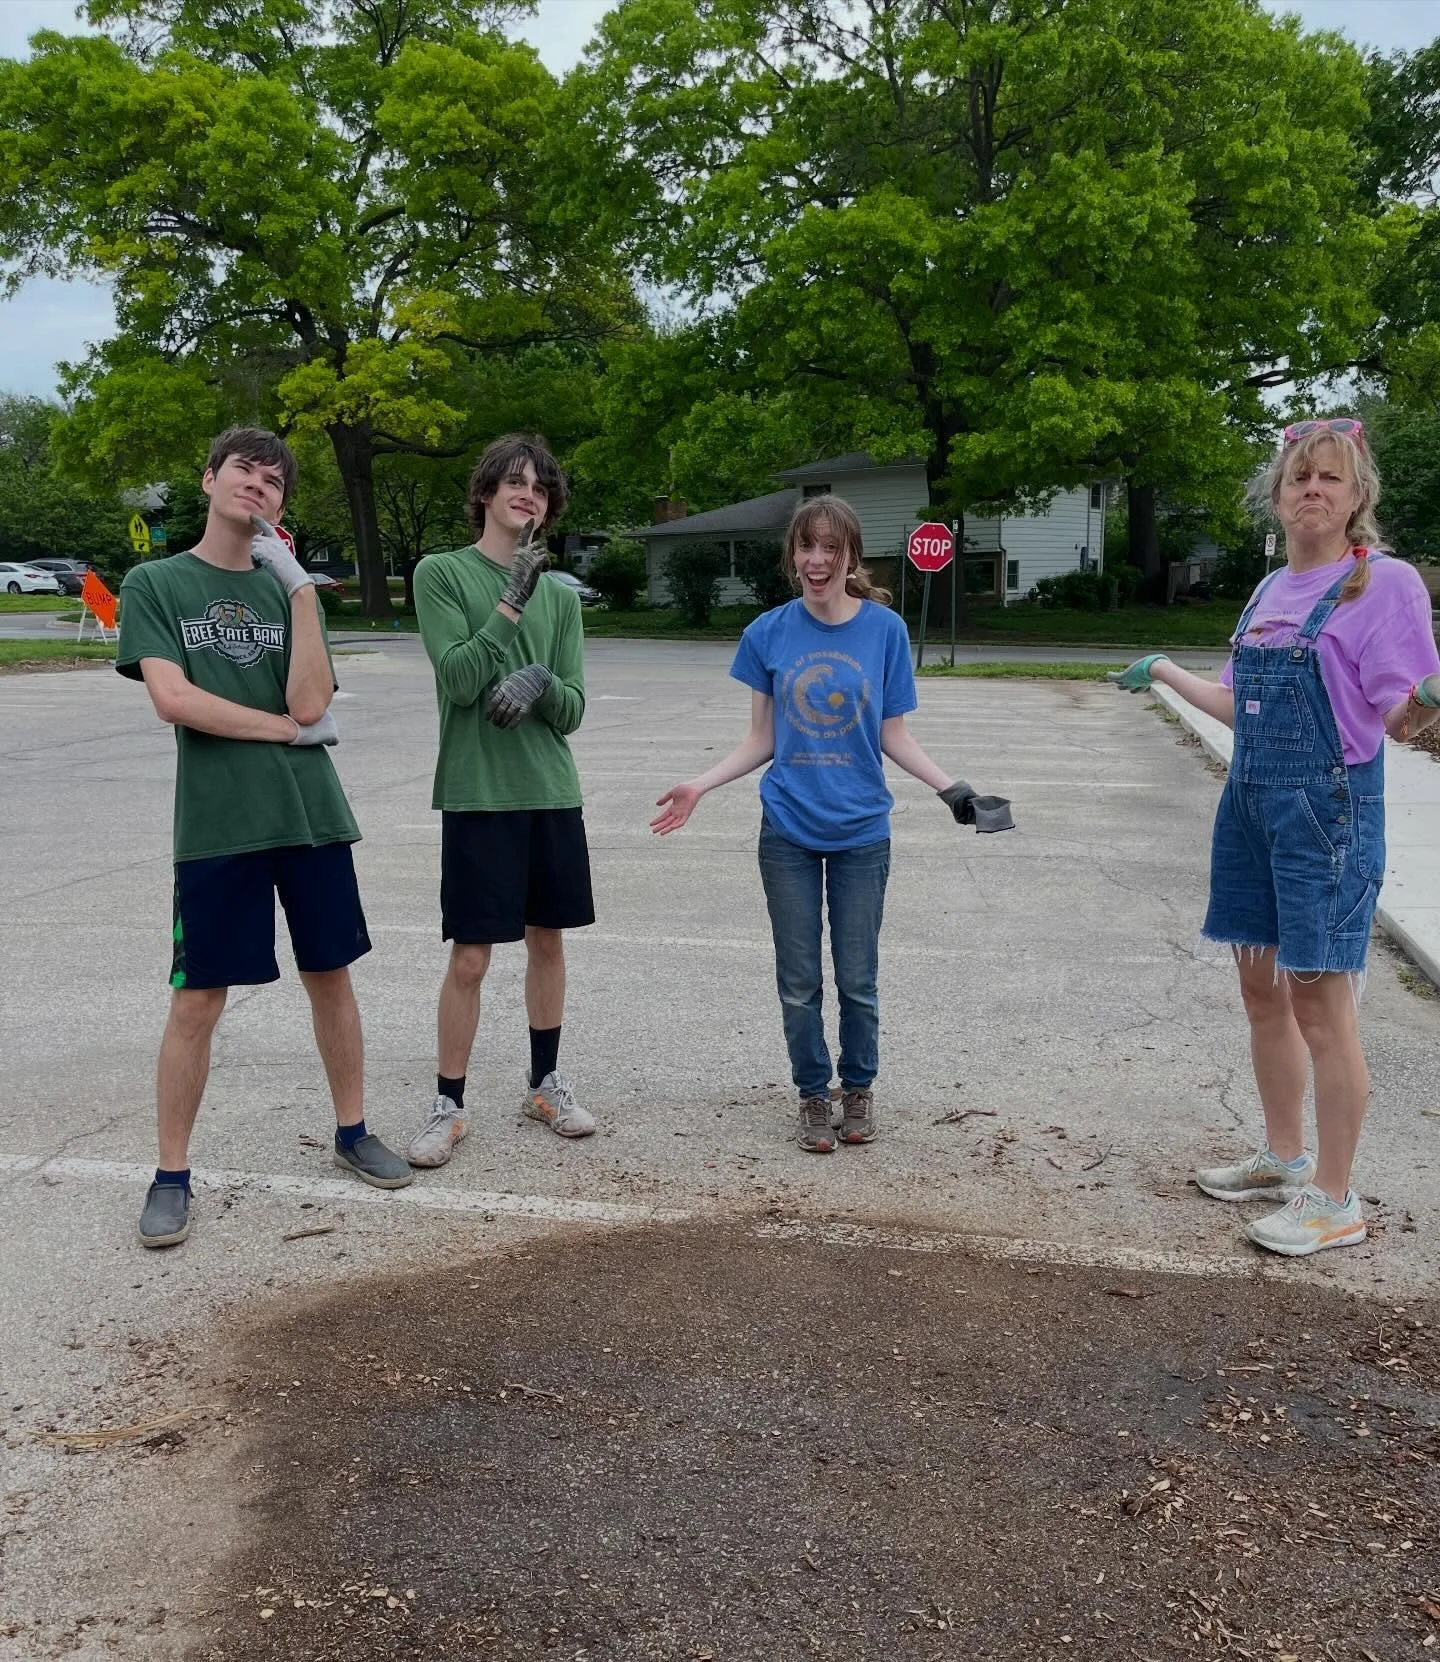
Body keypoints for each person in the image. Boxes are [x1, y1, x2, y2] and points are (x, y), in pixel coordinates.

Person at [1111, 418, 1440, 1256]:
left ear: (1359, 494)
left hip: (1328, 814)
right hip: (1250, 807)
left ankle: (1335, 1199)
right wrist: (1163, 670)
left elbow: (1396, 716)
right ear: (1278, 495)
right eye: (1299, 479)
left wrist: (1430, 700)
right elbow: (1235, 706)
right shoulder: (1266, 591)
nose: (1312, 491)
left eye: (1330, 478)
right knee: (1262, 993)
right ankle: (1284, 1155)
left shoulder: (1383, 585)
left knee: (1322, 1009)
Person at [116, 426, 412, 1249]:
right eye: (244, 469)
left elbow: (313, 703)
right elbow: (175, 700)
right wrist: (283, 733)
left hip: (313, 818)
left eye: (275, 480)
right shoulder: (157, 583)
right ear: (209, 478)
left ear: (282, 506)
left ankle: (352, 1131)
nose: (258, 484)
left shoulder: (285, 591)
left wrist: (302, 592)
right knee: (198, 999)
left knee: (332, 977)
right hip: (219, 826)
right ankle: (171, 1174)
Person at [651, 493, 1012, 1152]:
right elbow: (761, 738)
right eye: (806, 547)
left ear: (851, 557)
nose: (817, 560)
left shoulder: (884, 632)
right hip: (787, 825)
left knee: (858, 978)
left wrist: (953, 789)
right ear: (793, 555)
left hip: (862, 832)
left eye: (831, 548)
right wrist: (699, 784)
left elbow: (892, 734)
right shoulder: (768, 633)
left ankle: (859, 1089)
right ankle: (813, 1096)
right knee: (798, 980)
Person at [406, 434, 594, 1166]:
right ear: (484, 493)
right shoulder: (441, 574)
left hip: (548, 789)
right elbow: (457, 679)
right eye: (514, 482)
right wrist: (510, 603)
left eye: (541, 488)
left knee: (548, 941)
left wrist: (542, 684)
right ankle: (447, 1102)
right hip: (479, 792)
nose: (529, 494)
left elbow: (574, 709)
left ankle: (545, 1082)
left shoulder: (563, 597)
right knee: (473, 957)